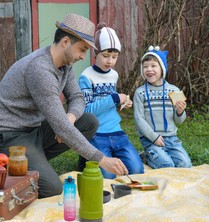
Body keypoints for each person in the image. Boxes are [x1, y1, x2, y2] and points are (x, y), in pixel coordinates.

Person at [0, 13, 128, 198]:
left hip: (35, 129)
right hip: (12, 135)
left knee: (88, 122)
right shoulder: (40, 69)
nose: (84, 57)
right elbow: (61, 127)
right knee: (52, 188)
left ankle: (34, 160)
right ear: (66, 41)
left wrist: (71, 117)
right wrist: (102, 159)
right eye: (82, 49)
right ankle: (19, 162)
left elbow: (77, 97)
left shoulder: (64, 66)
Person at [77, 23, 144, 179]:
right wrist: (113, 98)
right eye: (105, 56)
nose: (110, 61)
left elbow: (109, 105)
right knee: (108, 177)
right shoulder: (86, 77)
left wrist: (121, 104)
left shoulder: (113, 75)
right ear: (95, 53)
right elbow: (86, 111)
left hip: (116, 131)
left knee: (137, 170)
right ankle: (87, 157)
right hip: (96, 134)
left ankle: (116, 155)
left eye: (114, 57)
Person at [133, 46, 192, 169]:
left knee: (185, 165)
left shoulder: (174, 91)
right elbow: (139, 120)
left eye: (153, 66)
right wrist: (154, 138)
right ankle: (147, 155)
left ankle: (157, 155)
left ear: (162, 68)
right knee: (167, 165)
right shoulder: (140, 93)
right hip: (150, 139)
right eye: (145, 66)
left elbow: (179, 121)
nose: (149, 69)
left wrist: (180, 112)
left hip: (171, 139)